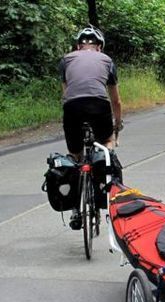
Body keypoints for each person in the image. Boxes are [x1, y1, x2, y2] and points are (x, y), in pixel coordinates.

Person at [59, 25, 123, 229]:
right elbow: (116, 102)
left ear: (78, 46)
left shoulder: (66, 60)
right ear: (99, 47)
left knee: (75, 153)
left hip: (72, 107)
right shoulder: (107, 61)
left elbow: (66, 94)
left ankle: (75, 209)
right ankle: (103, 169)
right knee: (106, 141)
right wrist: (117, 126)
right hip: (99, 105)